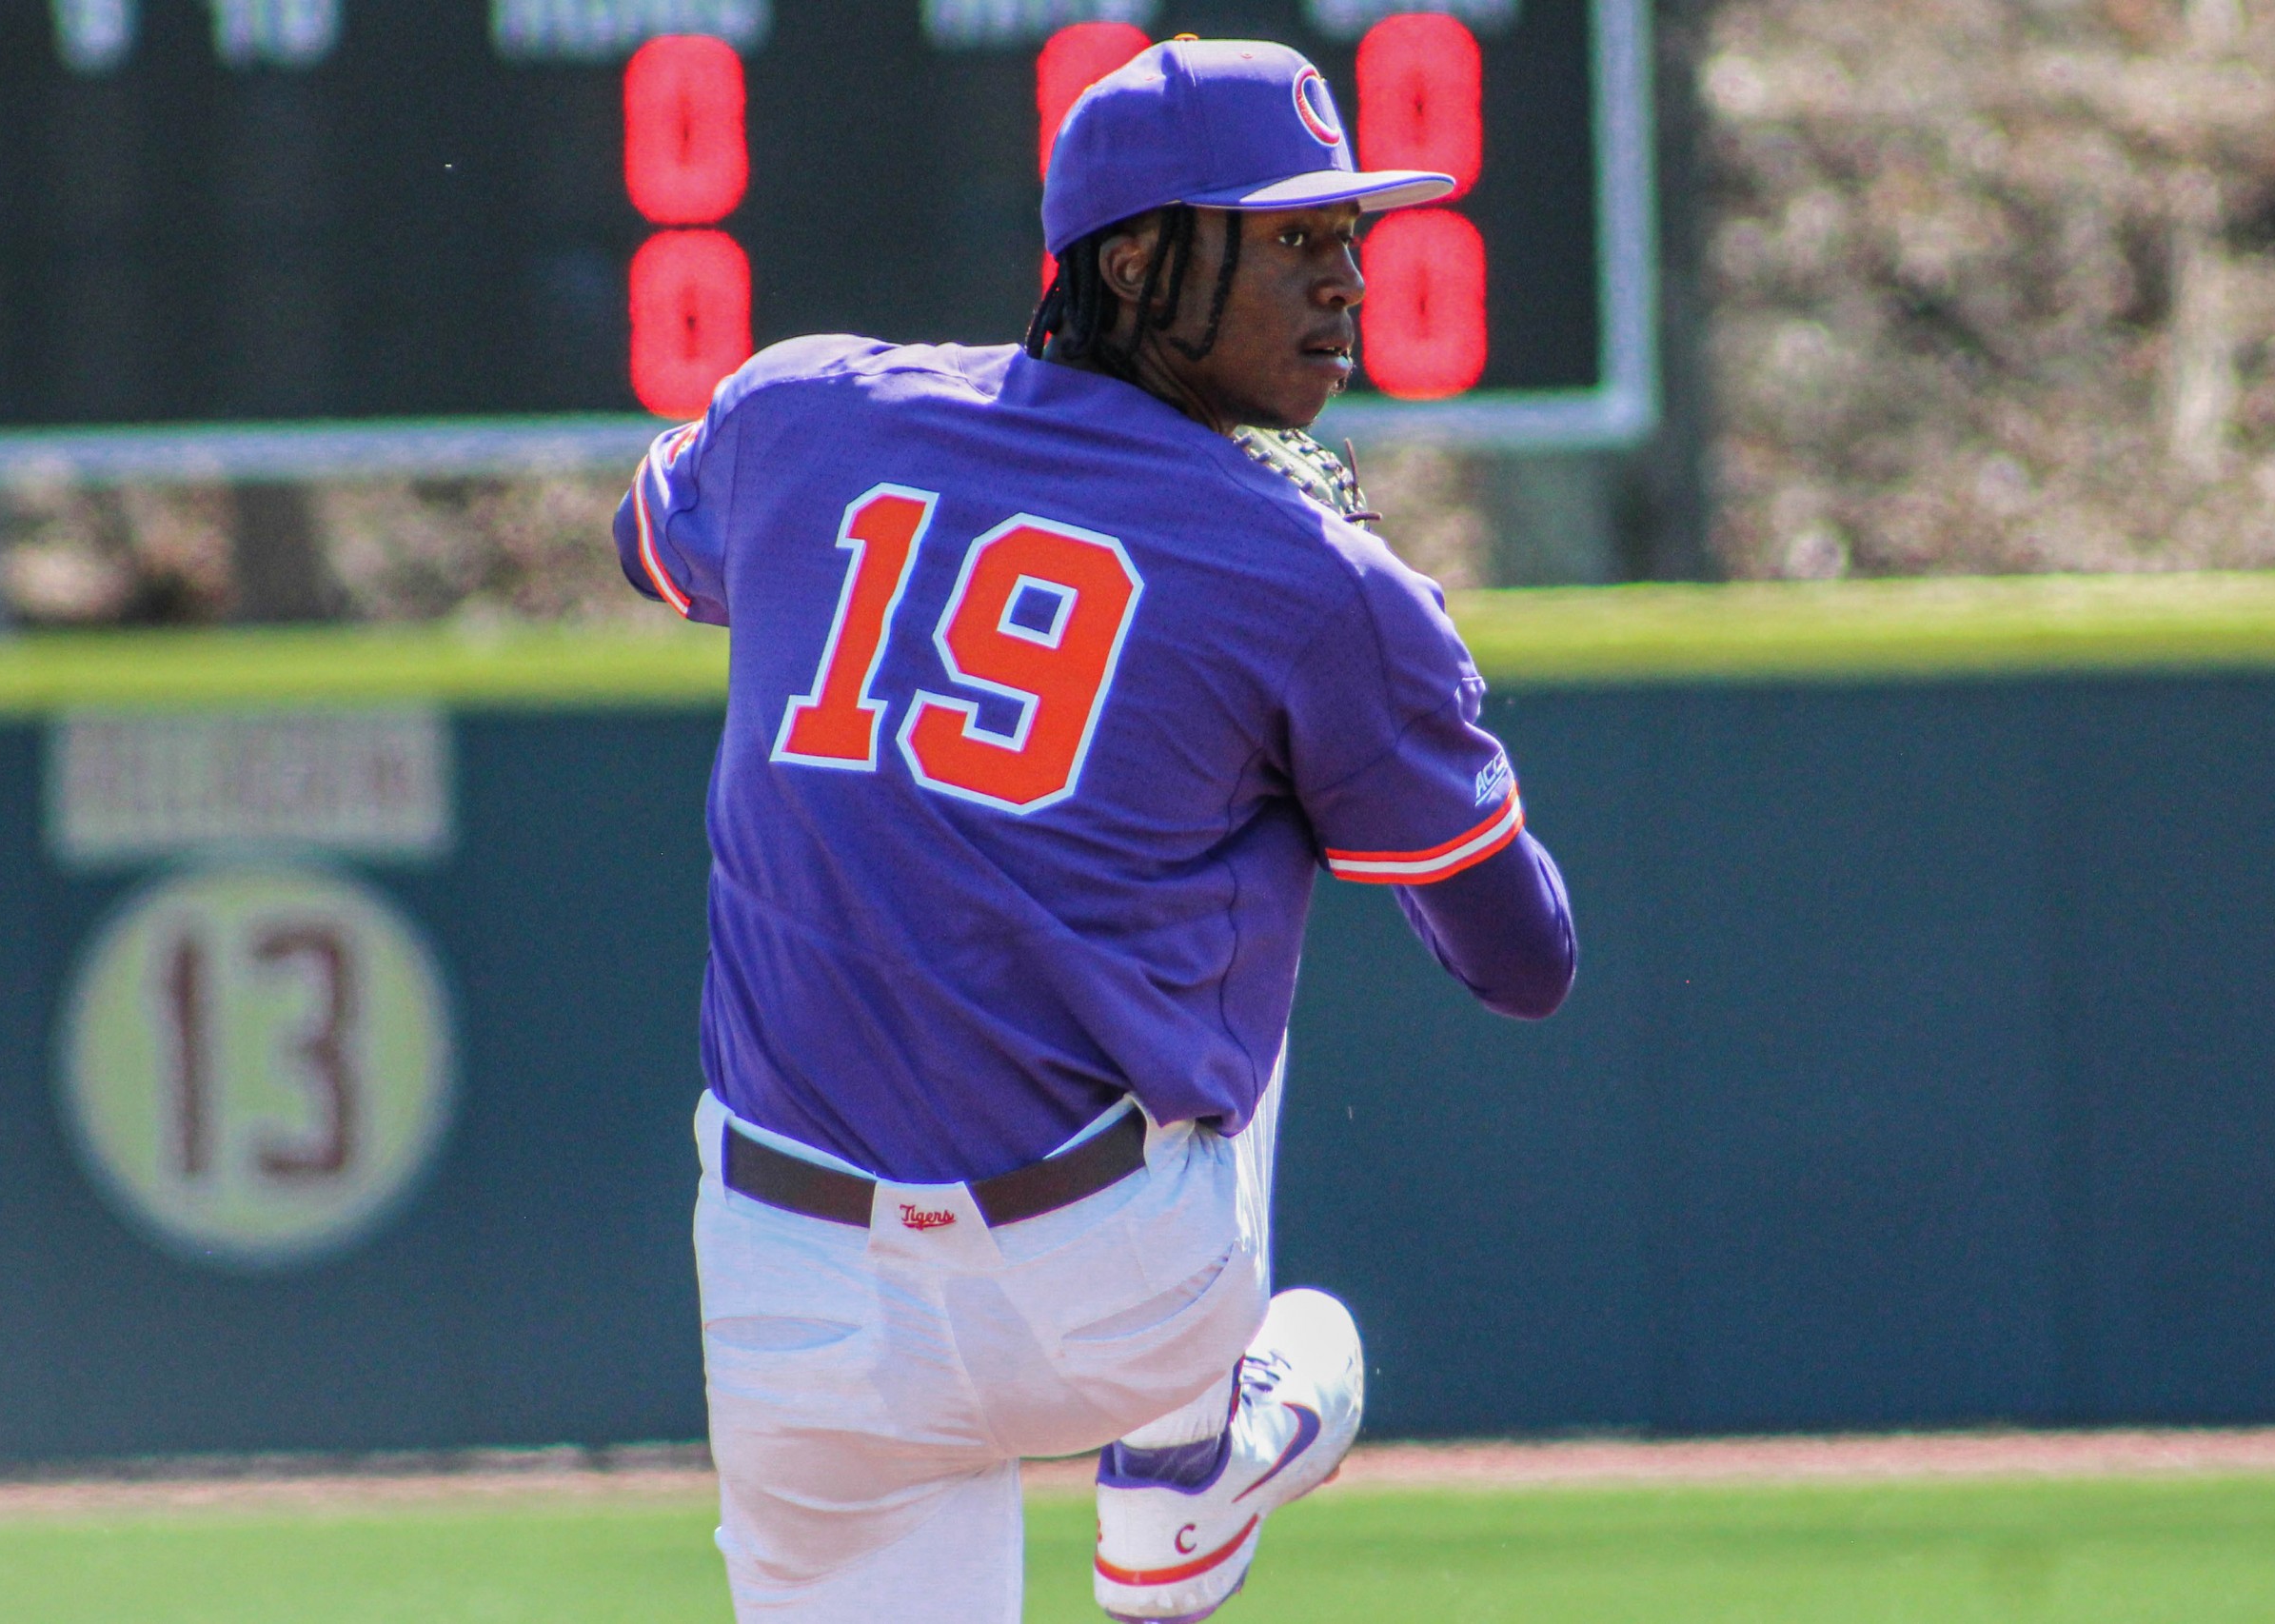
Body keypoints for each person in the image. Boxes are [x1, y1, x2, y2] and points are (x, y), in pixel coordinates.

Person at [613, 37, 1575, 1624]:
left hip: (789, 1300)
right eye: (1290, 240)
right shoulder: (1317, 579)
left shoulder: (804, 410)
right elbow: (1520, 958)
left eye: (1347, 237)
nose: (1345, 282)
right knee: (1261, 809)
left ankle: (1189, 1447)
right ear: (1132, 261)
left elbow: (648, 542)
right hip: (1121, 1294)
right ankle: (1188, 1461)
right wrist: (1392, 677)